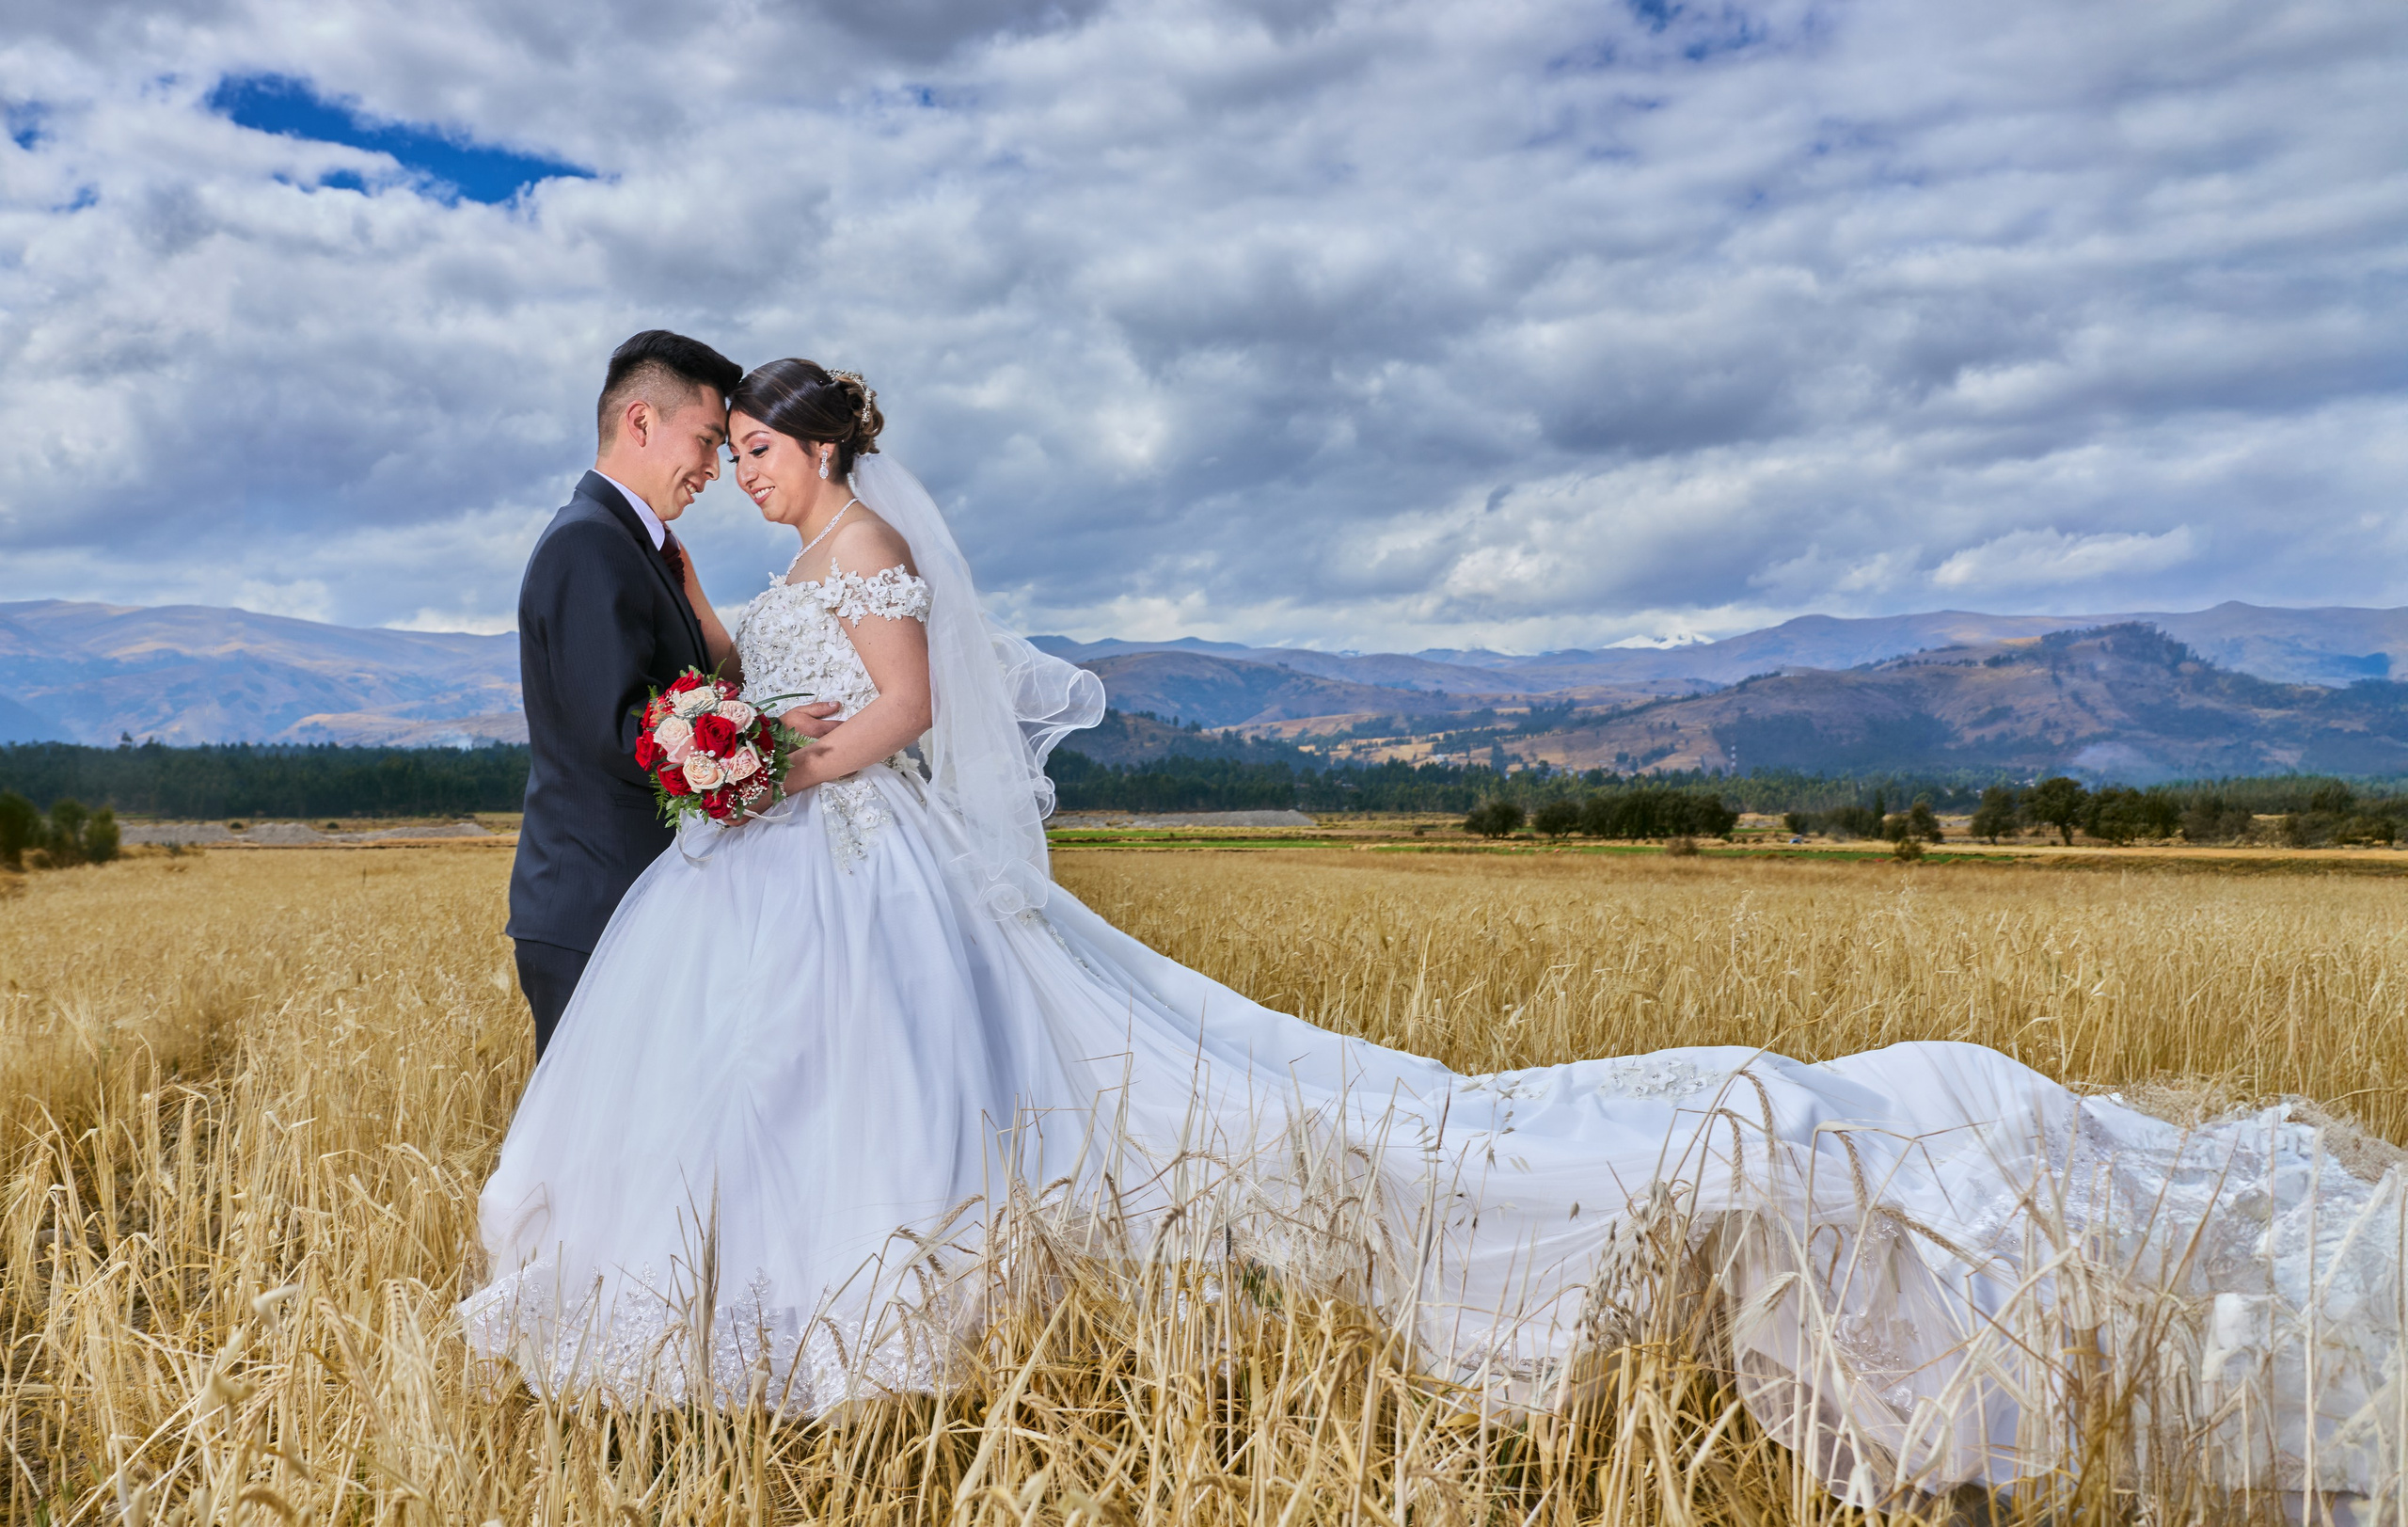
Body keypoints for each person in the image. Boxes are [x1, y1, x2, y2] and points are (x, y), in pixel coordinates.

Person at [466, 361, 2403, 1507]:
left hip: (851, 843)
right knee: (831, 1097)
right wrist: (717, 731)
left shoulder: (870, 555)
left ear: (822, 455)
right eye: (725, 458)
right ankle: (788, 1320)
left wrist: (768, 763)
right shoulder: (778, 561)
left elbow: (890, 714)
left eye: (761, 454)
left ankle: (900, 1313)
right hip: (809, 863)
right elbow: (762, 678)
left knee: (1058, 1091)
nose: (741, 472)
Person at [505, 331, 838, 1055]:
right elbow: (621, 731)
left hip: (634, 900)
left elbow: (680, 697)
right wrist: (770, 740)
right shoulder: (588, 543)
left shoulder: (634, 545)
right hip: (594, 905)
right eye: (709, 440)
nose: (716, 469)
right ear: (641, 422)